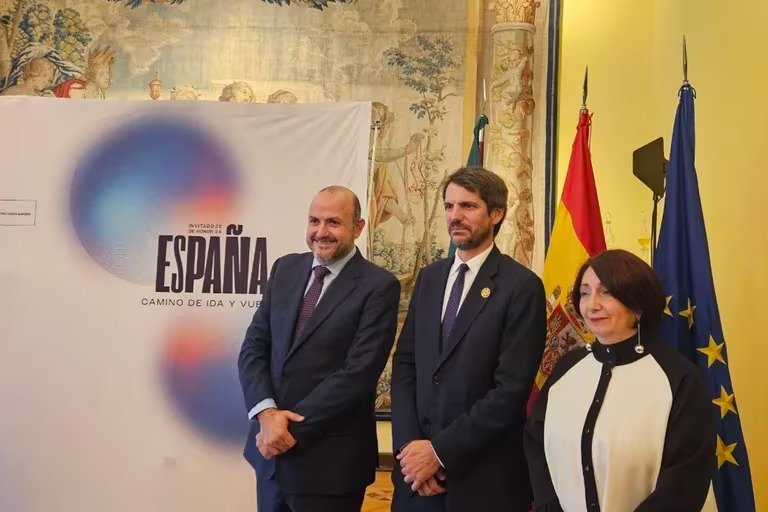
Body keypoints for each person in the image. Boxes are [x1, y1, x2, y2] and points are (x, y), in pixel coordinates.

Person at [390, 166, 547, 511]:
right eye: (449, 206)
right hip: (416, 479)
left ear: (496, 213)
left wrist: (438, 452)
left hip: (483, 480)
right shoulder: (429, 278)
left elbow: (510, 390)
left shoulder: (522, 287)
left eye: (468, 206)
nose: (455, 216)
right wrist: (410, 450)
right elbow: (406, 365)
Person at [238, 186, 400, 512]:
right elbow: (254, 347)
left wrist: (284, 429)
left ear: (358, 227)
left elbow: (358, 374)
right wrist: (266, 414)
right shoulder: (285, 269)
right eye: (314, 221)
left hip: (330, 465)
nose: (321, 232)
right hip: (270, 459)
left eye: (333, 222)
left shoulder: (379, 286)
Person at [525, 249, 716, 511]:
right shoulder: (567, 367)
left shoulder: (679, 379)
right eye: (584, 293)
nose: (592, 305)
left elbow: (684, 481)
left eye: (606, 292)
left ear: (638, 304)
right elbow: (535, 441)